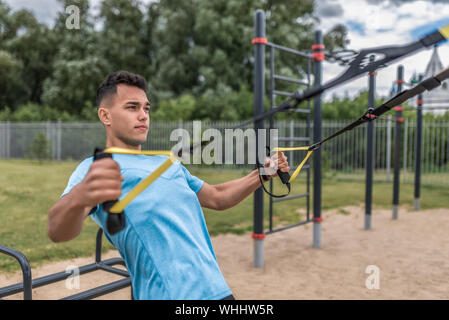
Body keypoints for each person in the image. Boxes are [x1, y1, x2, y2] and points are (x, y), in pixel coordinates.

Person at [47, 70, 290, 300]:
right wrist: (80, 196)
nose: (143, 115)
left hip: (217, 290)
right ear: (105, 115)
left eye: (146, 108)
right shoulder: (96, 167)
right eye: (132, 107)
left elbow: (217, 197)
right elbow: (57, 230)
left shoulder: (167, 163)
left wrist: (262, 174)